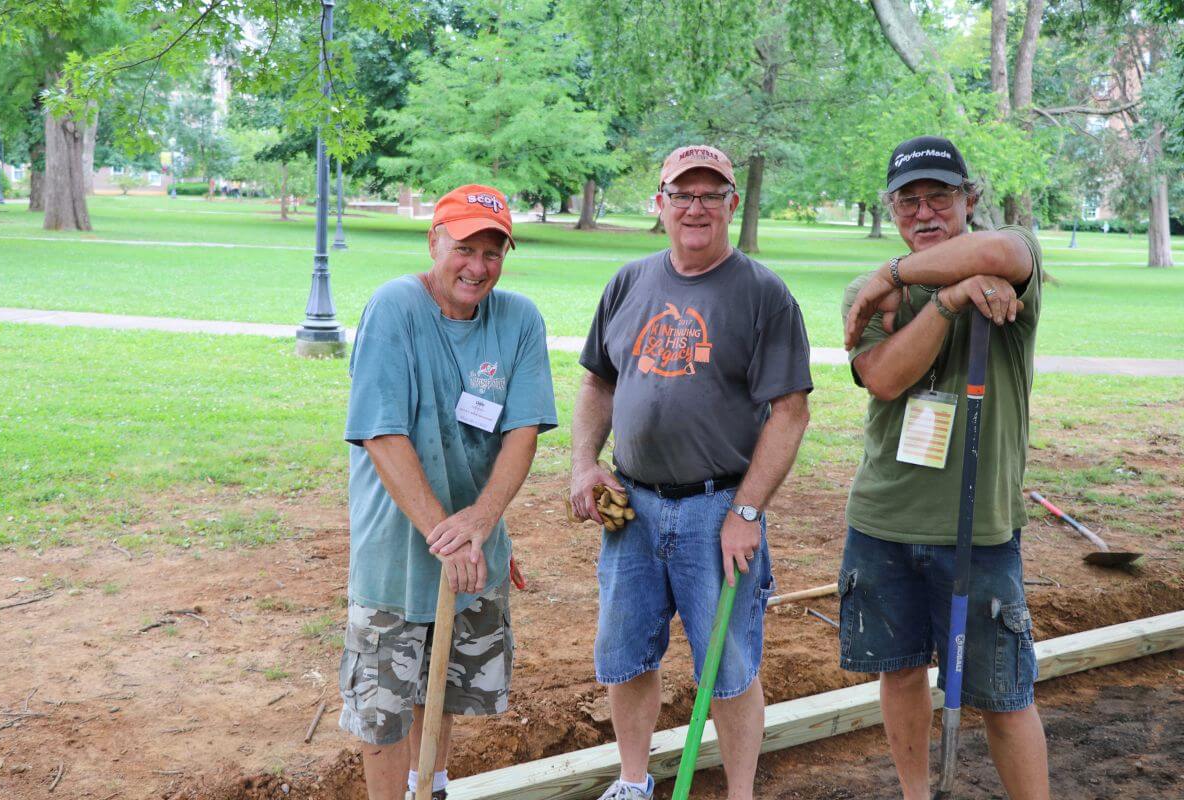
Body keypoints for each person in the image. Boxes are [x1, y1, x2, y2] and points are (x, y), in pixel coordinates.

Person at [570, 145, 813, 800]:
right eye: (683, 194)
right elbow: (599, 383)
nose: (697, 207)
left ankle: (739, 794)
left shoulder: (763, 296)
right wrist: (585, 463)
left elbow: (790, 413)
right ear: (660, 203)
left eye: (712, 194)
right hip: (632, 506)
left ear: (733, 204)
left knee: (729, 668)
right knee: (627, 658)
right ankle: (631, 781)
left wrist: (749, 511)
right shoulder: (628, 282)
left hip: (718, 509)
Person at [840, 135, 1049, 800]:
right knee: (899, 672)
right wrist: (949, 297)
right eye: (908, 200)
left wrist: (897, 276)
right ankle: (914, 795)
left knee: (1003, 693)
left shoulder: (1009, 260)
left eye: (940, 197)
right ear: (891, 208)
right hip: (885, 518)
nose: (924, 212)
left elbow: (1004, 253)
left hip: (979, 527)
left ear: (971, 199)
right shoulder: (867, 292)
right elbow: (885, 377)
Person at [338, 184, 558, 800]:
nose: (477, 266)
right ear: (434, 241)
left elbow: (522, 431)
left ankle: (428, 787)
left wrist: (480, 525)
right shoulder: (395, 309)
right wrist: (447, 534)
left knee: (445, 691)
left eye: (493, 252)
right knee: (385, 706)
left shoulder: (518, 319)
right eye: (464, 248)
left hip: (473, 547)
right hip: (396, 553)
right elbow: (382, 435)